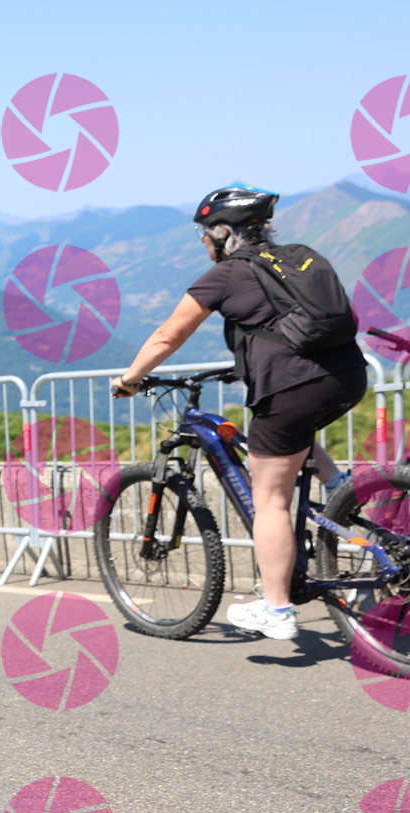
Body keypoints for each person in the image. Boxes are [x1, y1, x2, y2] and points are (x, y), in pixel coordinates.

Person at [110, 185, 367, 641]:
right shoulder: (298, 257)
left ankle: (277, 609)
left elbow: (168, 336)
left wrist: (130, 378)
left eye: (205, 233)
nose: (203, 242)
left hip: (292, 387)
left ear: (223, 232)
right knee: (290, 434)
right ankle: (338, 488)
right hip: (348, 376)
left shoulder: (227, 273)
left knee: (270, 500)